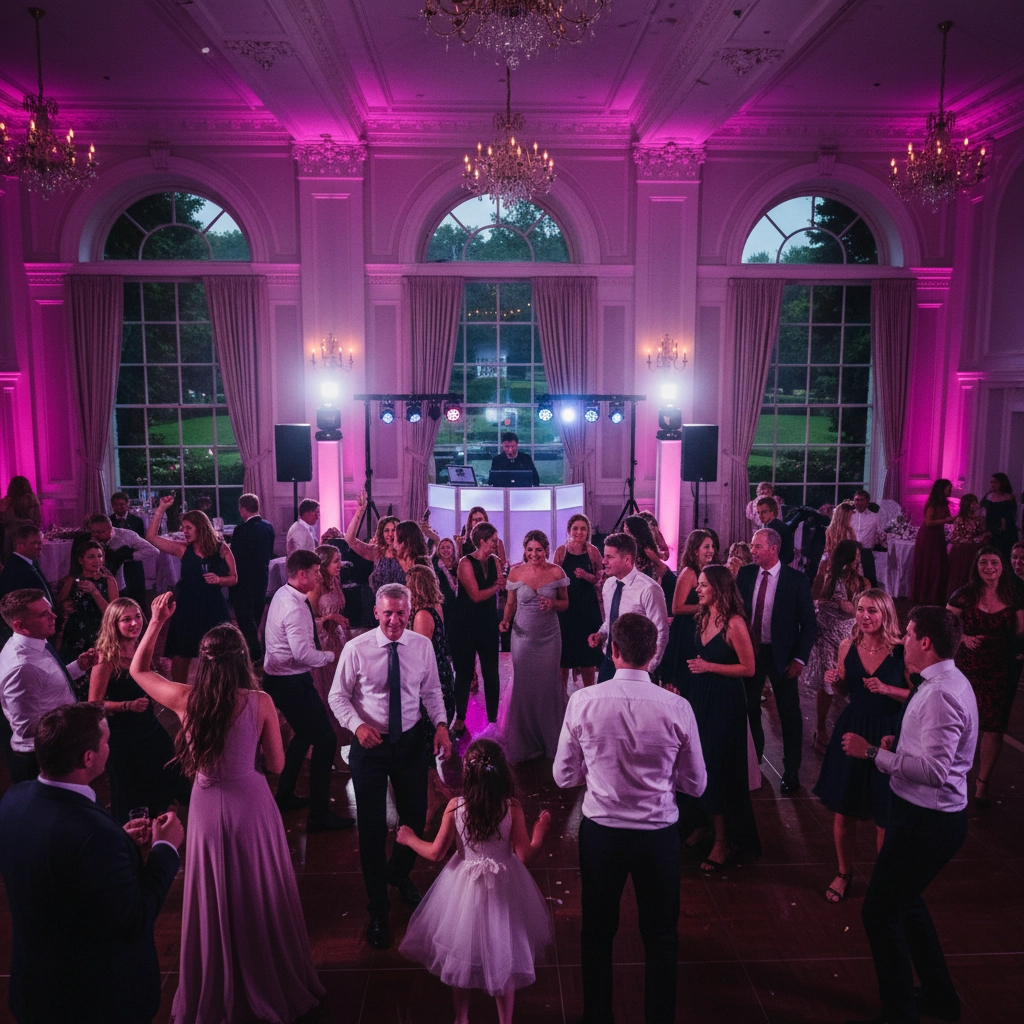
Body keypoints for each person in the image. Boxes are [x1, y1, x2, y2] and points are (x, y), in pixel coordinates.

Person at [129, 593, 326, 1023]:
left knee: (213, 891)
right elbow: (276, 765)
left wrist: (157, 622)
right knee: (259, 889)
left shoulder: (186, 698)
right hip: (251, 804)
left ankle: (216, 980)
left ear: (203, 660)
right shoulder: (260, 703)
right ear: (242, 660)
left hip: (205, 801)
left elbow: (138, 669)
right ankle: (267, 975)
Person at [554, 612, 707, 1024]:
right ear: (655, 653)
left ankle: (597, 1015)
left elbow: (563, 775)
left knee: (597, 933)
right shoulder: (677, 707)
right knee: (660, 936)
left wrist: (598, 771)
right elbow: (695, 784)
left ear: (613, 650)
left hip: (602, 832)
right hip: (658, 835)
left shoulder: (584, 701)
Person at [0, 702, 184, 1024]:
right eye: (106, 742)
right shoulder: (93, 835)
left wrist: (119, 837)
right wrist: (165, 847)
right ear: (88, 757)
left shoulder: (13, 800)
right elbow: (134, 919)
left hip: (35, 989)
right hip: (94, 999)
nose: (109, 748)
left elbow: (60, 860)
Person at [841, 606, 978, 1024]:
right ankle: (940, 999)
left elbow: (936, 773)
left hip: (927, 822)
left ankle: (900, 1012)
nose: (902, 639)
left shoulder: (939, 693)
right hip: (923, 817)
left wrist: (872, 752)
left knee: (879, 912)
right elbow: (932, 751)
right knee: (908, 904)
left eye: (911, 633)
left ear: (926, 643)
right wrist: (899, 745)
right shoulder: (943, 680)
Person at [328, 582, 452, 949]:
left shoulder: (422, 646)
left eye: (401, 613)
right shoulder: (356, 649)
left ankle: (397, 873)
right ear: (376, 614)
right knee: (371, 828)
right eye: (388, 614)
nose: (395, 621)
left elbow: (431, 691)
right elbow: (337, 695)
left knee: (415, 817)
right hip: (370, 744)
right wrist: (357, 726)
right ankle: (378, 909)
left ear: (409, 611)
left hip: (411, 740)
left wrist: (442, 725)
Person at [398, 739, 553, 1024]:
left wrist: (409, 839)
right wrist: (539, 831)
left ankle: (462, 1018)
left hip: (463, 888)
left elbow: (435, 853)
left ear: (468, 775)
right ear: (502, 773)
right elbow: (525, 854)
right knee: (503, 951)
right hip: (504, 887)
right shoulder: (512, 808)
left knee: (461, 951)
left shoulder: (455, 808)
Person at [813, 589, 909, 905]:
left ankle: (882, 881)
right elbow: (844, 689)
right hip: (853, 727)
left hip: (887, 732)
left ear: (886, 615)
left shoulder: (901, 650)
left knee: (885, 813)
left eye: (873, 611)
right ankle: (843, 873)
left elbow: (916, 695)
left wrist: (886, 688)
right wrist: (836, 681)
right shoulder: (847, 646)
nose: (865, 616)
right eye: (860, 609)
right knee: (844, 809)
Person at [263, 549, 352, 831]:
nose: (318, 575)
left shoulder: (284, 594)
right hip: (290, 681)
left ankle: (285, 795)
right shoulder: (294, 605)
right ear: (302, 574)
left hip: (282, 679)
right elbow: (303, 653)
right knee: (325, 740)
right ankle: (319, 816)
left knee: (304, 735)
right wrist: (331, 656)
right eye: (315, 571)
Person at [682, 565, 760, 871]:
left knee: (718, 765)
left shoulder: (734, 622)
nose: (697, 590)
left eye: (702, 586)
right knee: (697, 761)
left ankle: (722, 840)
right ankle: (702, 822)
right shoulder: (702, 616)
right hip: (701, 696)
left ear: (719, 588)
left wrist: (709, 667)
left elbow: (749, 668)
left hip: (725, 702)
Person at [89, 597, 191, 823]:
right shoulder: (105, 657)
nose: (134, 623)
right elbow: (94, 704)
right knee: (134, 793)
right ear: (113, 624)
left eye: (137, 617)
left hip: (149, 727)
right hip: (124, 738)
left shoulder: (140, 649)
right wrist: (127, 706)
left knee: (172, 771)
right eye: (126, 620)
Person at [736, 527, 817, 793]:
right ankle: (752, 762)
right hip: (751, 652)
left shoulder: (796, 580)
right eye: (752, 545)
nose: (752, 550)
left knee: (789, 713)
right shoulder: (746, 574)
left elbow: (808, 624)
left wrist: (799, 658)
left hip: (782, 656)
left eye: (758, 546)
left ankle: (791, 769)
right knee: (748, 708)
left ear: (774, 549)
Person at [947, 546, 1024, 808]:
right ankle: (953, 775)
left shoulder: (1013, 596)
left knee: (994, 726)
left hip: (1000, 669)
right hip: (967, 669)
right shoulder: (964, 595)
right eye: (983, 563)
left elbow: (1021, 632)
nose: (988, 567)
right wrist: (964, 638)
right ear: (976, 567)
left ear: (1002, 566)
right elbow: (944, 626)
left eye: (994, 562)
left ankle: (982, 784)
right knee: (959, 722)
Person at [0, 589, 98, 782]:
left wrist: (79, 666)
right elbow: (27, 727)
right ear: (20, 625)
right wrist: (80, 717)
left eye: (50, 610)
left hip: (55, 749)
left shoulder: (34, 641)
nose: (54, 616)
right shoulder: (22, 666)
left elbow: (46, 683)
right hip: (42, 760)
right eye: (43, 614)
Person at [146, 496, 237, 683]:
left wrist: (219, 579)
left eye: (188, 527)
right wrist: (162, 508)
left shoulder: (221, 549)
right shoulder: (182, 550)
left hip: (213, 607)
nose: (183, 531)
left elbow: (234, 578)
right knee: (181, 654)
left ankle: (217, 693)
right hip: (187, 606)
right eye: (183, 527)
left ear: (200, 528)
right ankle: (180, 693)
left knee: (218, 655)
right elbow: (151, 538)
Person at [501, 530, 569, 763]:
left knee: (548, 685)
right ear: (524, 550)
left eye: (538, 550)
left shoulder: (556, 572)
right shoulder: (516, 572)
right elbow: (510, 604)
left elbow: (565, 604)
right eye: (530, 550)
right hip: (522, 637)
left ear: (546, 550)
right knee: (524, 684)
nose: (534, 554)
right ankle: (524, 742)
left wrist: (553, 603)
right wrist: (505, 620)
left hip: (549, 637)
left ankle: (549, 740)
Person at [807, 539, 868, 751]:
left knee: (848, 680)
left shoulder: (862, 582)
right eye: (855, 557)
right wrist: (821, 576)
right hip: (824, 634)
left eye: (859, 558)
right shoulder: (828, 577)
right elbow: (813, 596)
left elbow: (866, 609)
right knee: (828, 680)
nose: (858, 561)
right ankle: (821, 728)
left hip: (849, 636)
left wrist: (853, 609)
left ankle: (851, 729)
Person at [588, 532, 669, 684]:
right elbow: (611, 621)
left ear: (627, 559)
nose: (604, 561)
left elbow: (661, 632)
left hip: (636, 668)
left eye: (610, 557)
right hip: (609, 662)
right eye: (604, 556)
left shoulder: (649, 589)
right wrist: (601, 634)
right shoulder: (609, 585)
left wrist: (648, 669)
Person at [451, 521, 506, 731]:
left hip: (488, 622)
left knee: (491, 671)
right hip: (465, 623)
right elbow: (475, 596)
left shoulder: (495, 561)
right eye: (493, 540)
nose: (496, 543)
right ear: (482, 541)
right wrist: (496, 587)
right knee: (464, 673)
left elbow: (499, 590)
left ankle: (493, 719)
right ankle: (460, 717)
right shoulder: (465, 562)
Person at [55, 539, 118, 685]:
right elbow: (58, 603)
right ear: (80, 560)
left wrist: (95, 592)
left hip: (99, 631)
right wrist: (64, 607)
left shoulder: (109, 581)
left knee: (98, 675)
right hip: (75, 633)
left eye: (100, 556)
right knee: (74, 675)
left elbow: (113, 614)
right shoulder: (71, 580)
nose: (97, 560)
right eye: (91, 557)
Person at [553, 513, 604, 691]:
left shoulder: (593, 551)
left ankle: (589, 694)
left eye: (583, 528)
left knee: (587, 655)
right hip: (566, 609)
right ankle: (561, 698)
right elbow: (554, 577)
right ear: (569, 530)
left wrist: (586, 576)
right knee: (563, 656)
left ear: (588, 531)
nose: (579, 532)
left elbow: (599, 577)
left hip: (587, 609)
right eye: (575, 528)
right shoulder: (561, 551)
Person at [664, 529, 715, 697]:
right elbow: (676, 608)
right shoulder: (689, 572)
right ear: (695, 550)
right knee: (686, 679)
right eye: (706, 547)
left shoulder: (707, 571)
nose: (711, 551)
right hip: (686, 631)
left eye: (712, 546)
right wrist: (706, 608)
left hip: (701, 627)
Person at [406, 563, 456, 727]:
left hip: (433, 677)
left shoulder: (422, 615)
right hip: (442, 670)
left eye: (408, 584)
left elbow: (420, 655)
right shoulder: (435, 606)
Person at [228, 492, 276, 661]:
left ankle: (254, 656)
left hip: (244, 582)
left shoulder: (241, 530)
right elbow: (269, 553)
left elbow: (234, 558)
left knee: (245, 620)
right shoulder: (268, 526)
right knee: (254, 618)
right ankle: (253, 654)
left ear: (242, 509)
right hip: (262, 579)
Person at [76, 513, 159, 608]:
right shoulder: (88, 538)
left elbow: (153, 550)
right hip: (93, 584)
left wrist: (129, 556)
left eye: (99, 532)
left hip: (118, 584)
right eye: (93, 531)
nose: (95, 535)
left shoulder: (126, 536)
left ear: (110, 530)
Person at [308, 543, 350, 706]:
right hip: (322, 640)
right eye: (336, 561)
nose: (341, 564)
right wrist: (330, 618)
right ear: (324, 565)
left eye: (340, 560)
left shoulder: (335, 580)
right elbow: (308, 620)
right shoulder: (315, 587)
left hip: (337, 636)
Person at [344, 491, 404, 592]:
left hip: (402, 602)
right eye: (386, 530)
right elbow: (350, 540)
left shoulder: (406, 551)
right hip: (379, 601)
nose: (390, 534)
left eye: (394, 530)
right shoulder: (376, 551)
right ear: (381, 533)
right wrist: (360, 510)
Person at [910, 478, 954, 606]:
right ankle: (925, 595)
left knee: (938, 564)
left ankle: (935, 595)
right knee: (930, 563)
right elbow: (928, 522)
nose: (950, 490)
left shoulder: (944, 503)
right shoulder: (933, 504)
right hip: (928, 536)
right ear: (941, 489)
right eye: (948, 487)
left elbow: (948, 519)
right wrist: (946, 520)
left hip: (938, 535)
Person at [0, 524, 54, 620]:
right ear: (20, 545)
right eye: (34, 543)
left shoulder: (30, 562)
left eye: (40, 543)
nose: (39, 547)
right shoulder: (16, 569)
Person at [625, 514, 676, 611]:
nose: (625, 531)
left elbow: (664, 558)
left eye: (627, 529)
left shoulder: (646, 549)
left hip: (646, 590)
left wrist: (656, 558)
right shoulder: (631, 548)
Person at [946, 492, 989, 597]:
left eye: (976, 503)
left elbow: (982, 532)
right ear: (966, 505)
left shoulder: (980, 519)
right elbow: (957, 537)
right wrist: (981, 537)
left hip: (975, 550)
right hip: (962, 550)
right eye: (972, 503)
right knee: (961, 574)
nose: (975, 505)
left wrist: (985, 535)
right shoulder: (960, 519)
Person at [850, 489, 887, 587]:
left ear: (867, 502)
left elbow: (880, 534)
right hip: (850, 551)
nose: (859, 503)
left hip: (866, 552)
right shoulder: (849, 515)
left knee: (869, 581)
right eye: (856, 500)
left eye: (862, 500)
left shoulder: (875, 517)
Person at [980, 471, 1019, 561]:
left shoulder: (1009, 497)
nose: (992, 484)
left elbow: (1014, 514)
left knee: (1005, 555)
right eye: (991, 482)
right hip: (990, 529)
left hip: (1006, 531)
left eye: (995, 482)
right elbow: (981, 511)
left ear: (1002, 483)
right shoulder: (988, 496)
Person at [754, 495, 795, 564]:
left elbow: (788, 556)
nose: (760, 516)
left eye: (764, 512)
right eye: (758, 512)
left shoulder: (780, 528)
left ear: (772, 512)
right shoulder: (764, 527)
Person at [432, 536, 460, 631]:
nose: (445, 550)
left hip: (456, 604)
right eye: (442, 548)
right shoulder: (435, 565)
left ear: (453, 549)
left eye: (448, 547)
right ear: (438, 550)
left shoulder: (458, 565)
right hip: (441, 604)